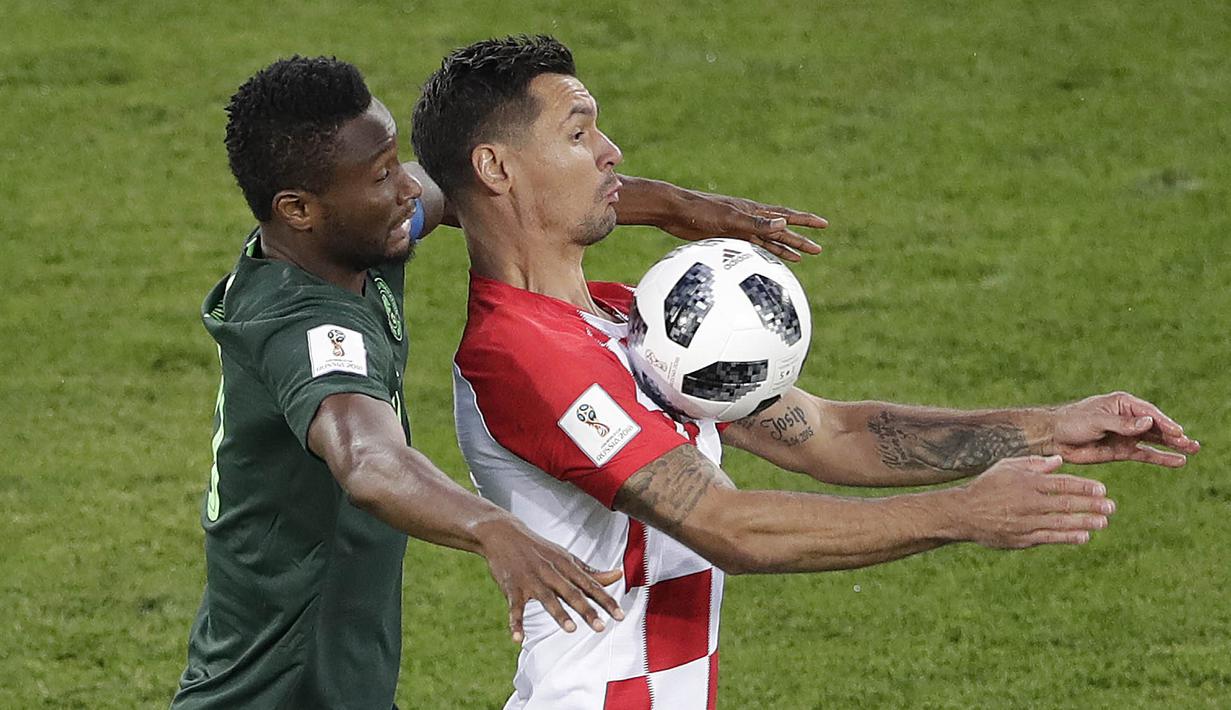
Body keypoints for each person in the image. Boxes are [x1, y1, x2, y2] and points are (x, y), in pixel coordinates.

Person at [410, 35, 1201, 709]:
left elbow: (825, 432)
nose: (611, 152)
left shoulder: (625, 318)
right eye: (579, 133)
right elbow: (729, 527)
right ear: (496, 167)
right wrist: (962, 513)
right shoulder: (521, 357)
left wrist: (1044, 425)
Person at [172, 55, 832, 709]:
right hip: (275, 691)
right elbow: (369, 460)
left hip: (340, 679)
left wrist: (676, 208)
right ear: (298, 208)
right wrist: (494, 529)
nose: (407, 188)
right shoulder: (307, 329)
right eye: (381, 177)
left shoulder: (346, 237)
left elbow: (475, 192)